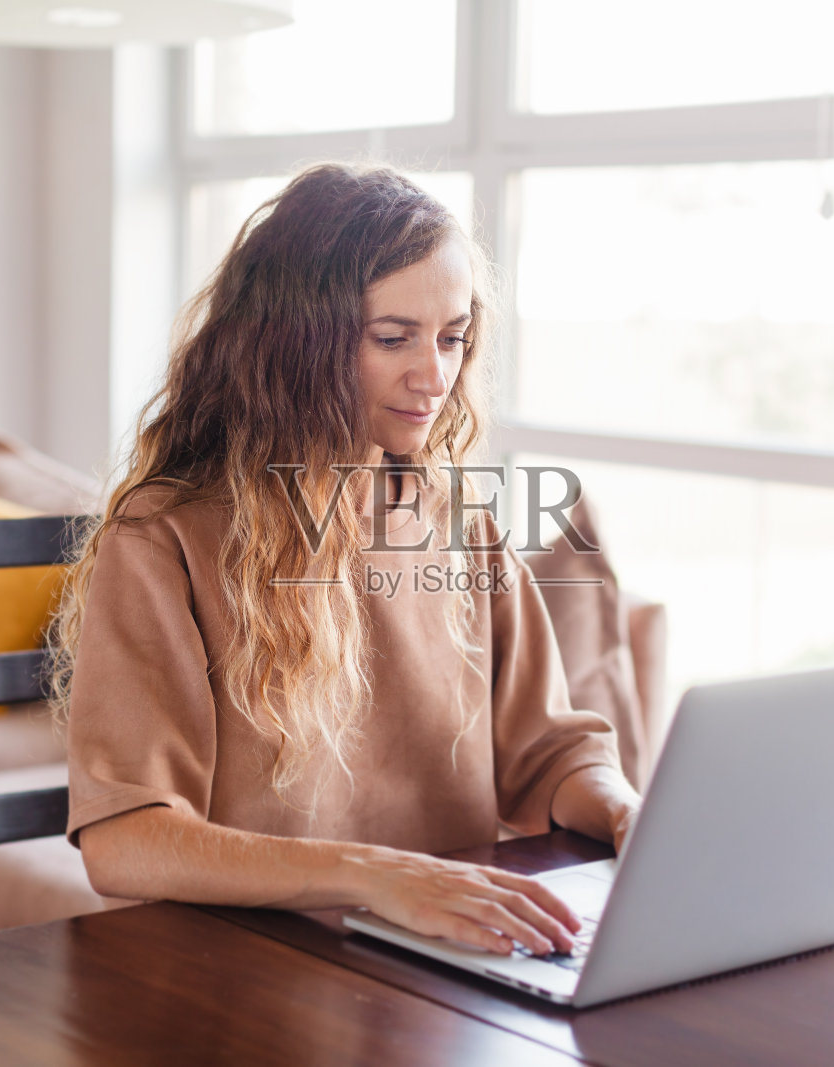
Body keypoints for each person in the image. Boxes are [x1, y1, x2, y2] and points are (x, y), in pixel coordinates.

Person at [49, 162, 642, 958]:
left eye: (453, 338)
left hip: (442, 964)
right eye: (393, 338)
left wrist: (623, 809)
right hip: (245, 972)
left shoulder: (459, 522)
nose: (435, 376)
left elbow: (551, 751)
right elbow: (125, 840)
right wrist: (377, 876)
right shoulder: (165, 538)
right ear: (294, 343)